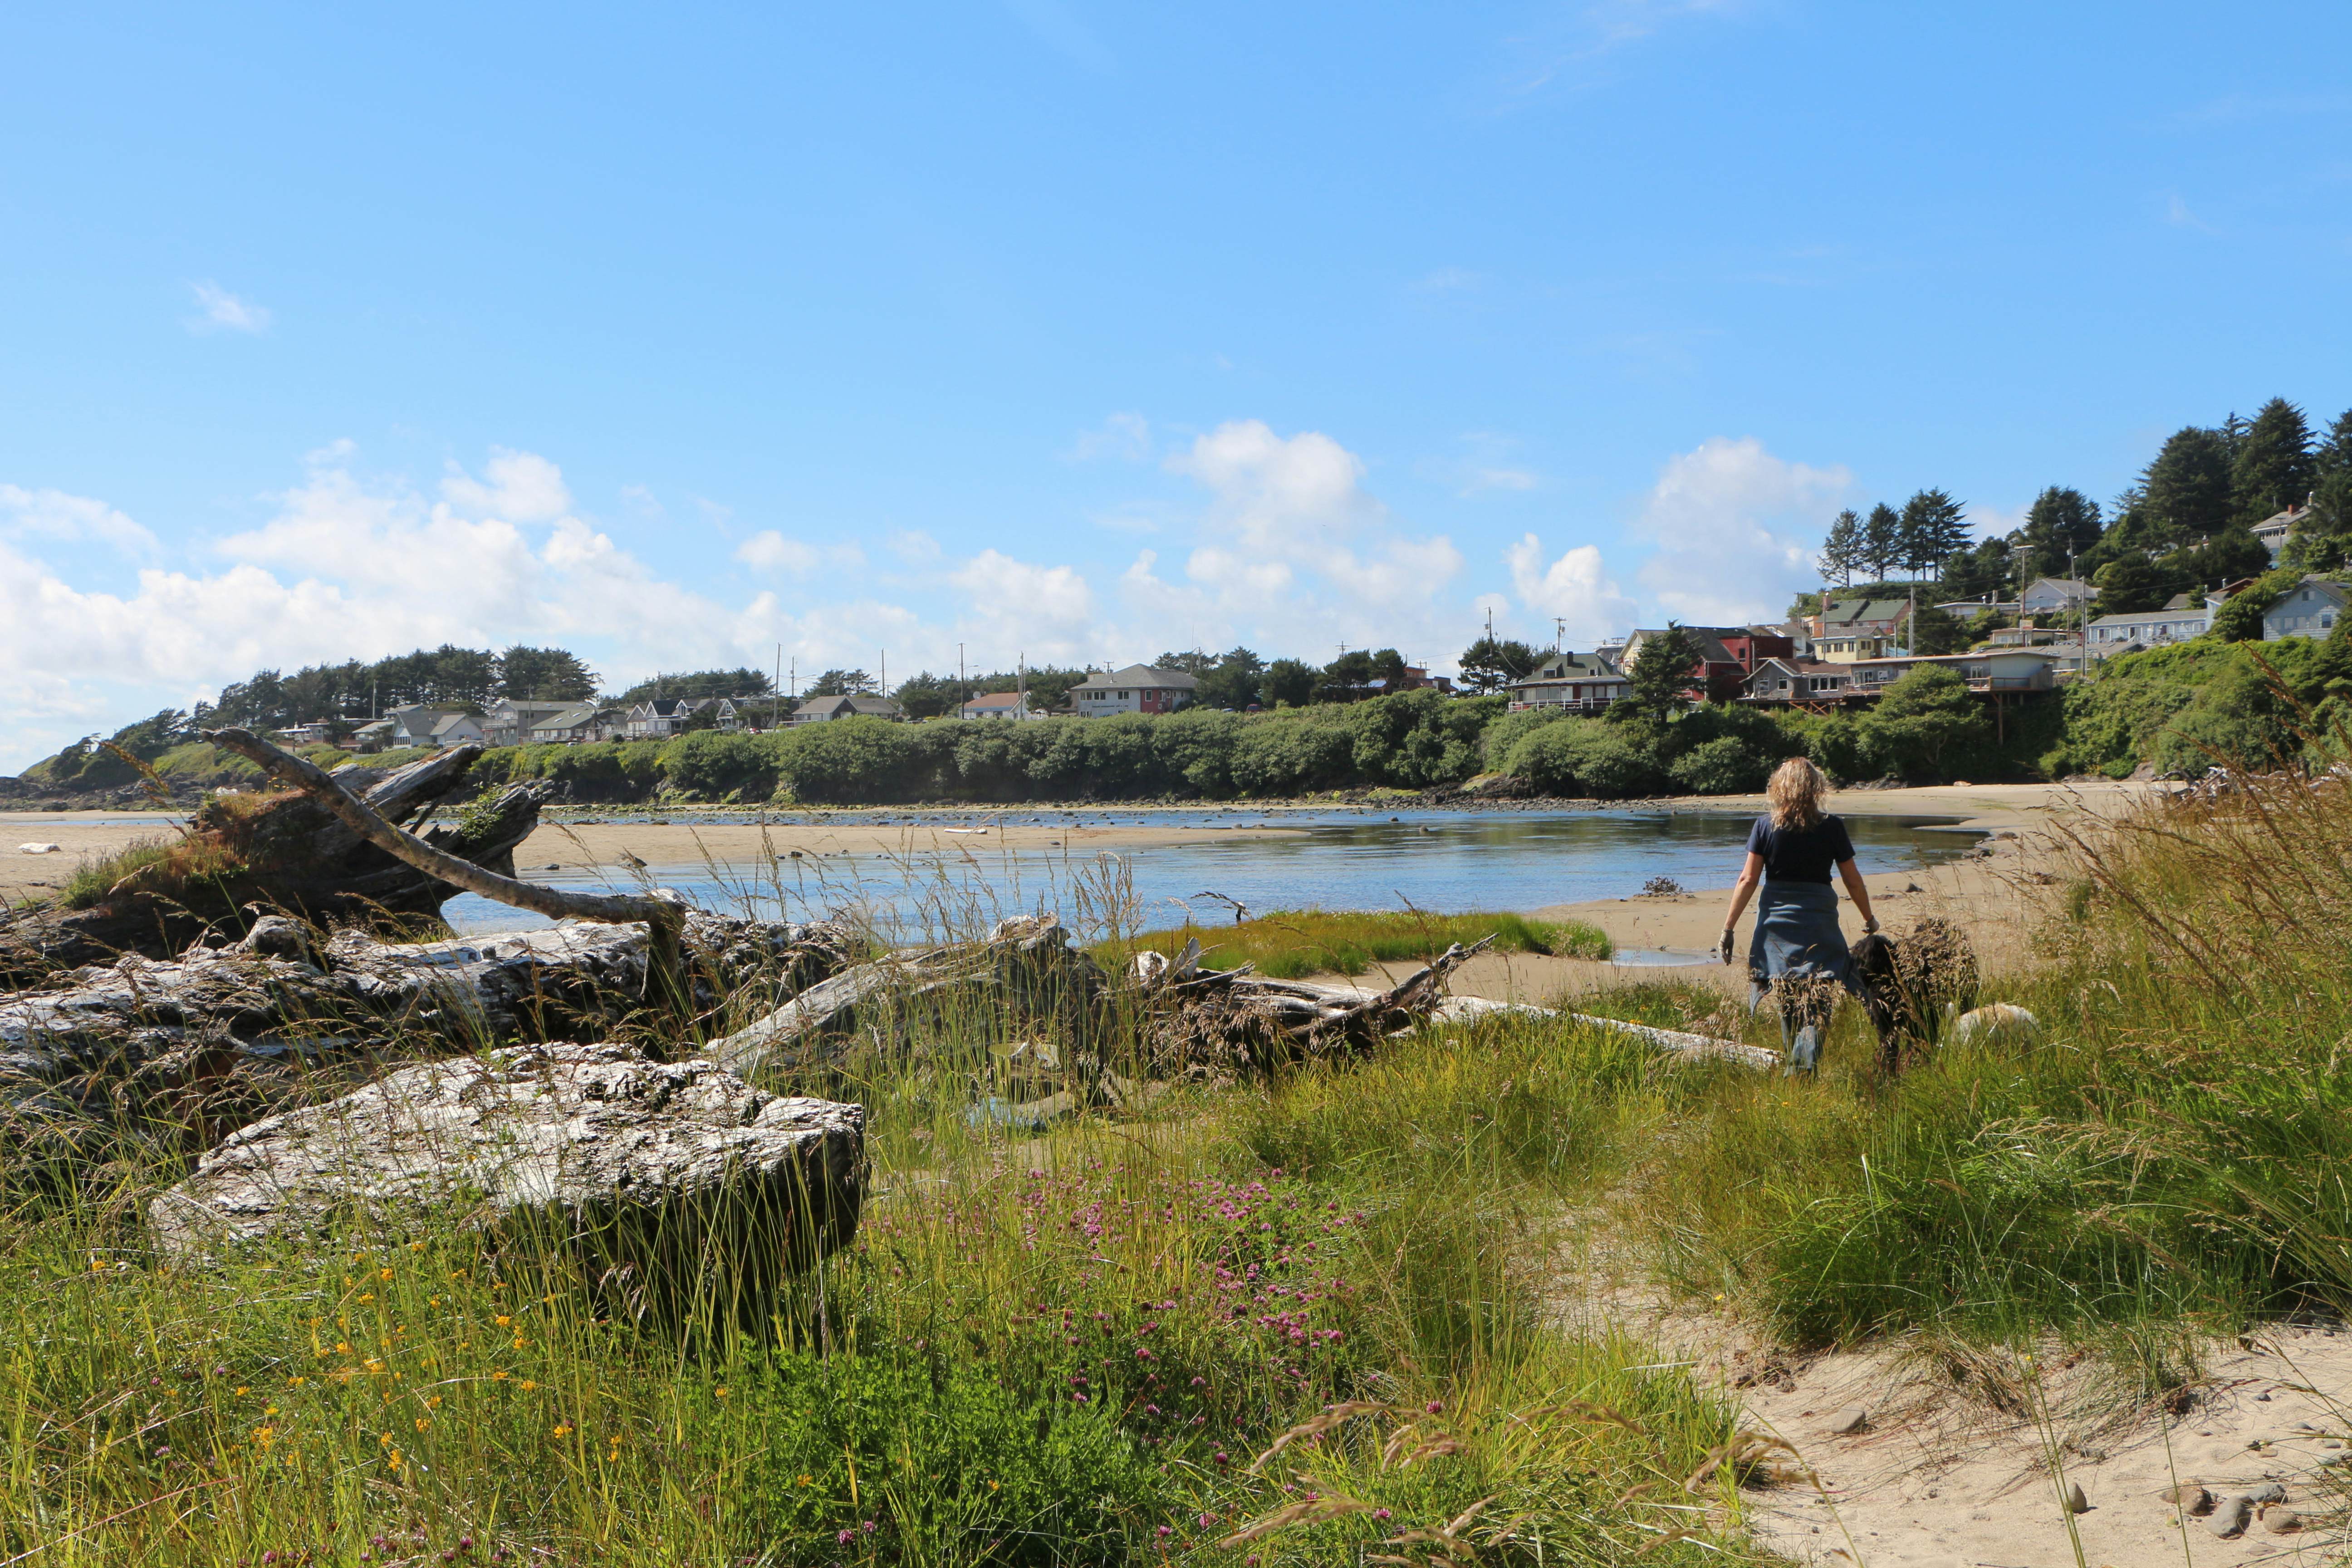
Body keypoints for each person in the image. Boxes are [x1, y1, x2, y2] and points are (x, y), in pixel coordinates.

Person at [1717, 757, 1878, 1071]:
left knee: (1790, 1004)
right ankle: (1807, 1068)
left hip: (1777, 930)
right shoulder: (1832, 826)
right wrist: (1868, 919)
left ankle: (1796, 1068)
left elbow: (1748, 880)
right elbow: (1852, 879)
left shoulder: (1765, 826)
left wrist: (1728, 929)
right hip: (1820, 925)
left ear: (1780, 787)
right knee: (1819, 1004)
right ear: (1816, 787)